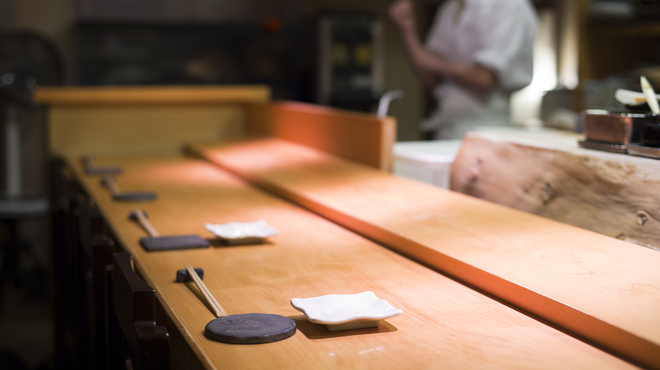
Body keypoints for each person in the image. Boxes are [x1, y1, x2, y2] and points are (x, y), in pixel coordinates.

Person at [389, 0, 538, 139]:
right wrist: (407, 29)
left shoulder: (510, 6)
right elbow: (434, 80)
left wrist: (439, 64)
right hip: (447, 125)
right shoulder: (451, 7)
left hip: (486, 126)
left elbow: (485, 79)